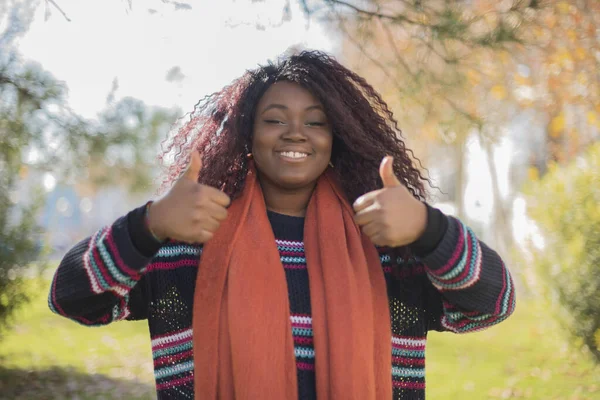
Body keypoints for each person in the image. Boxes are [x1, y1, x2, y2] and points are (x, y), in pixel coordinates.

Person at [49, 50, 516, 400]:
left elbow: (492, 304)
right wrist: (147, 225)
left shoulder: (386, 243)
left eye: (316, 123)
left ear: (338, 139)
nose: (296, 132)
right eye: (275, 119)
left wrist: (430, 231)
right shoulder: (189, 242)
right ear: (247, 136)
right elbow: (72, 300)